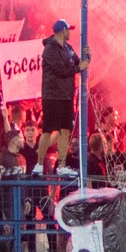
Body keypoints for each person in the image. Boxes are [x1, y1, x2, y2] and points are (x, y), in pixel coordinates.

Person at [37, 19, 88, 165]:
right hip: (52, 95)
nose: (70, 32)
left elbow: (79, 62)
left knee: (65, 130)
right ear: (63, 30)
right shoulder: (50, 49)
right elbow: (60, 71)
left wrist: (87, 56)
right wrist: (79, 68)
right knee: (47, 130)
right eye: (68, 29)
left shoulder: (68, 48)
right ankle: (39, 164)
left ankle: (61, 164)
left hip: (66, 95)